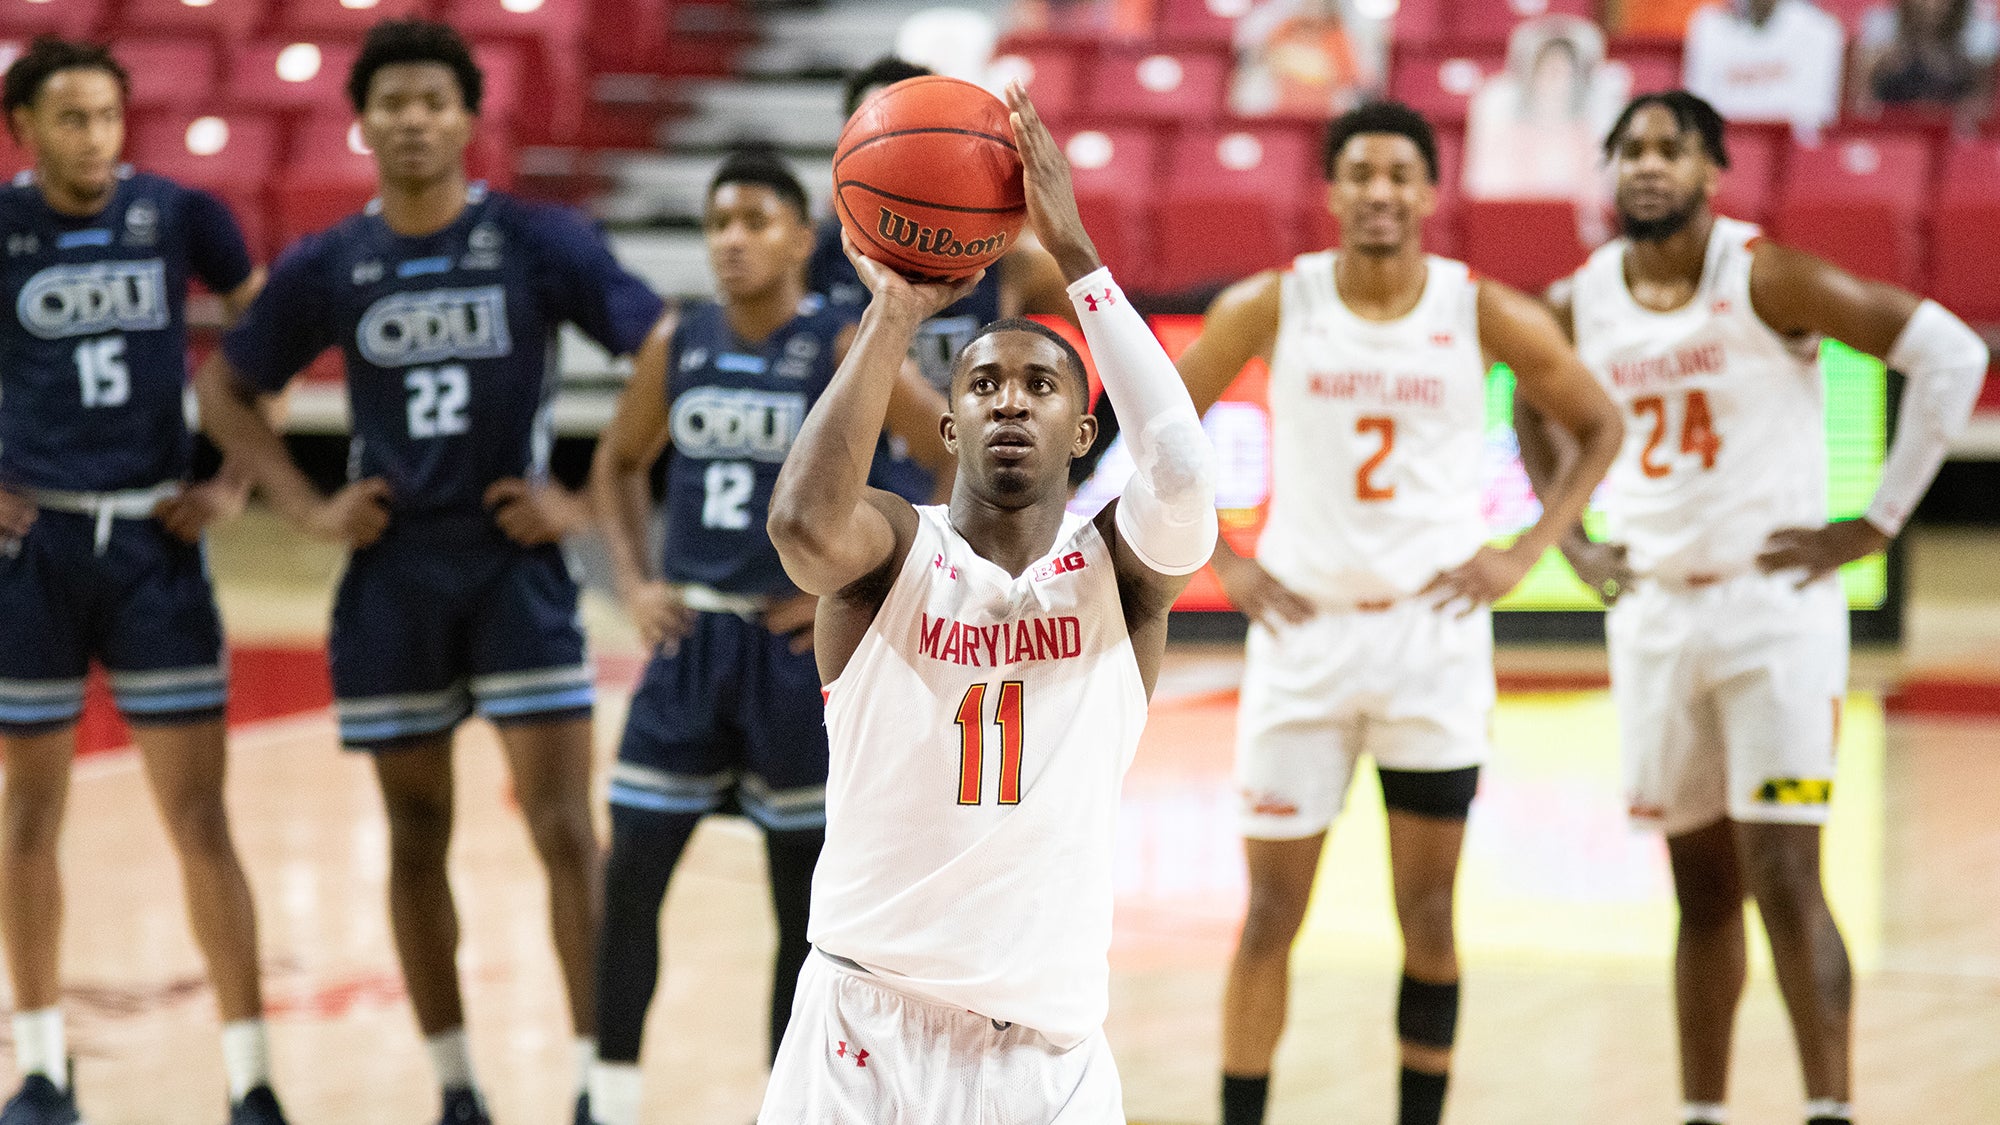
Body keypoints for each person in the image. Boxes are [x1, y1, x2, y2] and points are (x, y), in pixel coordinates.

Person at [194, 20, 667, 1125]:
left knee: (562, 829)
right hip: (394, 573)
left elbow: (661, 349)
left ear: (467, 119)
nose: (411, 119)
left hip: (516, 572)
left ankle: (604, 1087)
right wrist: (305, 505)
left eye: (431, 100)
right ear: (360, 124)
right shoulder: (328, 261)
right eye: (391, 102)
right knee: (415, 837)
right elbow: (224, 388)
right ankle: (457, 1087)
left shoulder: (537, 241)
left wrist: (585, 501)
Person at [1516, 90, 1988, 1125]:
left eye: (1668, 149)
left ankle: (1828, 1106)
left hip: (1772, 612)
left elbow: (1950, 352)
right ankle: (1703, 1111)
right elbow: (1526, 395)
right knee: (1696, 889)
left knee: (1784, 871)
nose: (1645, 165)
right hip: (1652, 617)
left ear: (1709, 175)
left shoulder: (1762, 273)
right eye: (1629, 150)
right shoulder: (1577, 298)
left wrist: (1874, 523)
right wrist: (1576, 541)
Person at [757, 82, 1217, 1122]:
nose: (1010, 395)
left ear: (1083, 432)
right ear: (951, 426)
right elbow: (798, 530)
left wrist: (1076, 256)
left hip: (1041, 1054)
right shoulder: (889, 551)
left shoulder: (1120, 579)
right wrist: (895, 311)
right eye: (981, 384)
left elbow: (1183, 470)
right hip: (860, 1031)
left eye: (1042, 385)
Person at [1172, 101, 1625, 1125]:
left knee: (1426, 915)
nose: (1379, 192)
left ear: (1428, 193)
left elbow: (1598, 424)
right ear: (1329, 192)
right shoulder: (1271, 303)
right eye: (1360, 174)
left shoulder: (1479, 309)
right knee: (1266, 920)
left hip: (1431, 646)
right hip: (1302, 640)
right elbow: (1154, 428)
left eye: (1398, 175)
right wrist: (1223, 561)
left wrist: (1529, 548)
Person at [582, 149, 949, 1125]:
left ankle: (788, 1106)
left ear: (799, 237)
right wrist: (632, 582)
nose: (730, 240)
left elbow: (942, 467)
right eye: (716, 223)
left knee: (802, 908)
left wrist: (867, 578)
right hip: (691, 644)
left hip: (793, 660)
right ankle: (604, 1100)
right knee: (628, 882)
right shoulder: (680, 339)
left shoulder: (838, 341)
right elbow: (616, 465)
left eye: (752, 221)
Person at [0, 37, 288, 1125]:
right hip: (34, 552)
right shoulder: (6, 225)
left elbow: (270, 337)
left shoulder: (179, 215)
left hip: (155, 549)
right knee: (27, 817)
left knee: (201, 817)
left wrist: (230, 487)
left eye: (108, 117)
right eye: (70, 119)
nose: (94, 138)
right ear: (23, 125)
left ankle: (251, 1076)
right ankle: (40, 1068)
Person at [808, 56, 1080, 502]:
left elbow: (1117, 349)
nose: (886, 146)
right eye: (872, 130)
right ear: (847, 138)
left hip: (976, 506)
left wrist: (1072, 459)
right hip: (858, 502)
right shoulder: (815, 259)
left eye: (899, 132)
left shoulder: (1009, 259)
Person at [1463, 14, 1628, 244]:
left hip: (1573, 244)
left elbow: (1597, 207)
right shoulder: (1508, 135)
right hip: (1512, 238)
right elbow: (1490, 199)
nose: (1555, 78)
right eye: (1548, 68)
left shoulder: (1586, 138)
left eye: (1563, 70)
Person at [1683, 0, 1846, 141]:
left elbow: (1814, 119)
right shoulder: (1708, 25)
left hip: (1789, 160)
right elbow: (1697, 113)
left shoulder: (1820, 30)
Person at [1850, 0, 1999, 127]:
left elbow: (1980, 112)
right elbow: (1862, 108)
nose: (1932, 5)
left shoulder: (1973, 56)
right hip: (1893, 136)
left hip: (1948, 138)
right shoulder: (1881, 49)